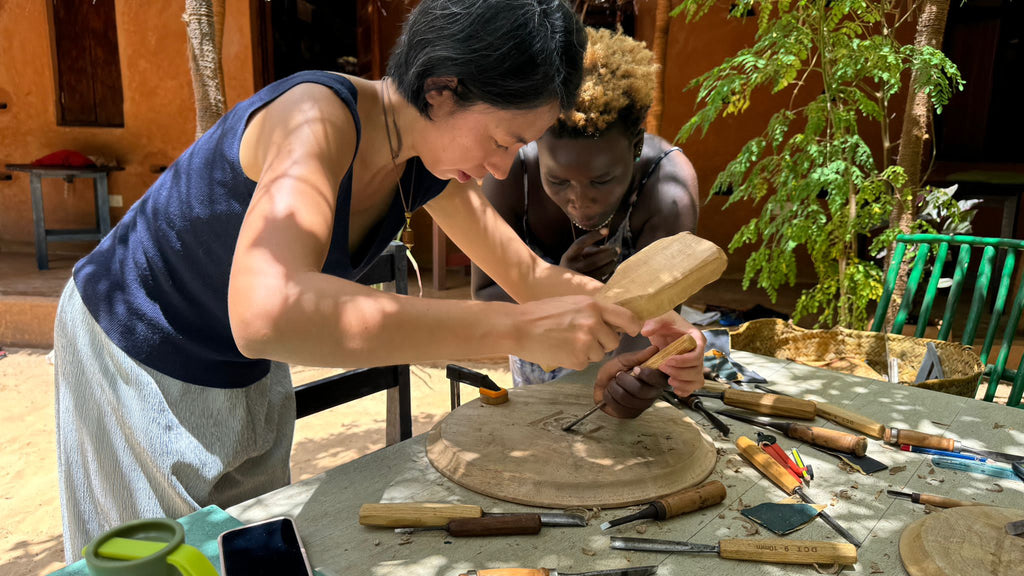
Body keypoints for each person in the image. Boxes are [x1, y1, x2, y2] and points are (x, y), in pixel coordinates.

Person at [53, 0, 700, 562]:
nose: (505, 163)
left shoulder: (423, 158)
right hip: (132, 344)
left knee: (239, 548)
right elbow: (267, 309)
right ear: (443, 89)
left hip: (236, 363)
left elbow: (530, 277)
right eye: (505, 138)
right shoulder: (317, 118)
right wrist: (514, 329)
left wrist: (638, 321)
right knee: (161, 559)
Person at [472, 27, 702, 397]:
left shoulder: (666, 188)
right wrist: (556, 285)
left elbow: (657, 324)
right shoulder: (512, 176)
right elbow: (485, 294)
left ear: (635, 146)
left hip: (628, 364)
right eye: (559, 181)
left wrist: (623, 383)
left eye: (601, 180)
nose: (580, 200)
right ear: (535, 143)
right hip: (538, 364)